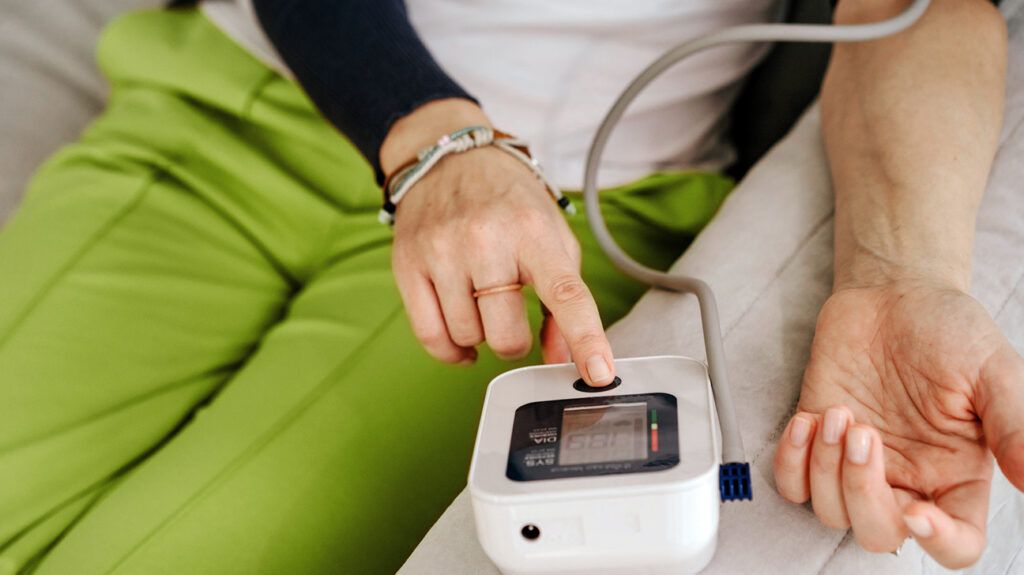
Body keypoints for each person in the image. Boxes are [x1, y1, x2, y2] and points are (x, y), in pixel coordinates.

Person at [0, 0, 1018, 573]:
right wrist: (430, 134)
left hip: (552, 228)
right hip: (214, 109)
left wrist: (902, 273)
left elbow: (916, 13)